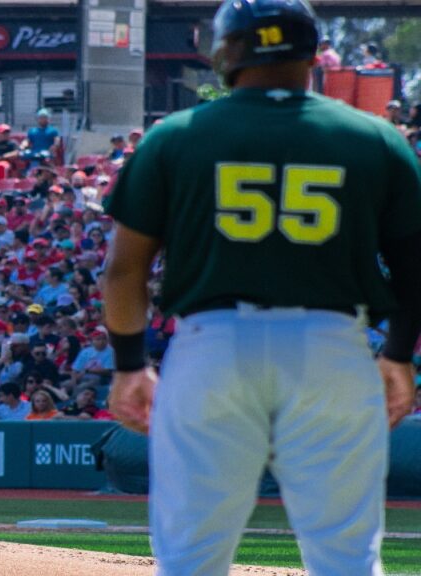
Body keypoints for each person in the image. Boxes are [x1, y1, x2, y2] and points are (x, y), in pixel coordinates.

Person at [102, 1, 421, 574]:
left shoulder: (175, 136)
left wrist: (129, 363)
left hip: (212, 344)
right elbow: (415, 267)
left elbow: (125, 269)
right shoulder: (374, 136)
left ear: (228, 52)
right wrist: (399, 355)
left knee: (190, 556)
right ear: (311, 53)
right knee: (346, 553)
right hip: (333, 345)